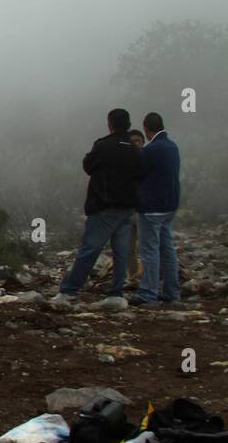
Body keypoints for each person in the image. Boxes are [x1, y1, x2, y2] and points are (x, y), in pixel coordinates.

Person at [57, 108, 140, 301]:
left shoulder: (103, 146)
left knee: (90, 248)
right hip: (128, 207)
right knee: (122, 251)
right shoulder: (135, 149)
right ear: (128, 124)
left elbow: (88, 166)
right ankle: (116, 292)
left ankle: (70, 289)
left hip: (104, 205)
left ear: (110, 124)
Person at [131, 112, 181, 306]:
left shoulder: (150, 150)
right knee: (167, 249)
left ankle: (148, 293)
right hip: (170, 205)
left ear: (146, 128)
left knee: (149, 250)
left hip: (152, 207)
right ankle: (171, 291)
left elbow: (139, 174)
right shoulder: (172, 146)